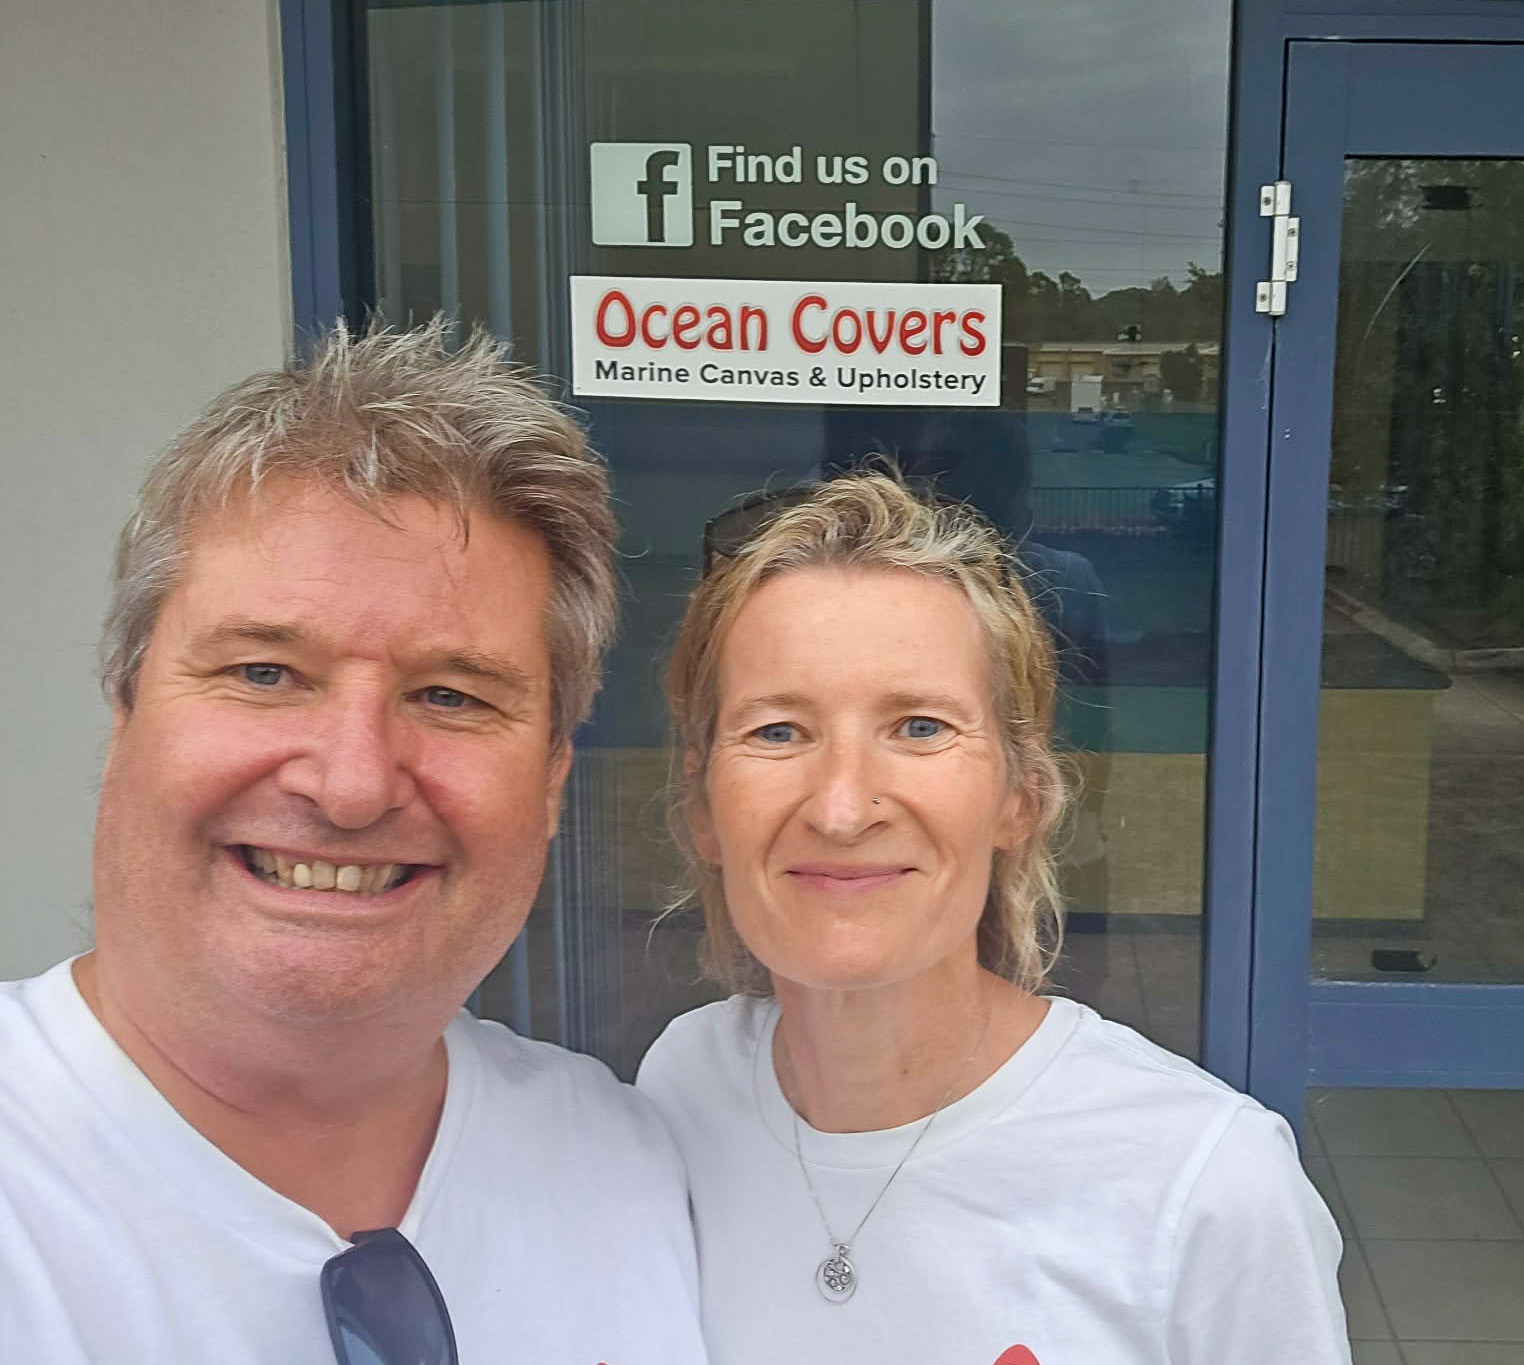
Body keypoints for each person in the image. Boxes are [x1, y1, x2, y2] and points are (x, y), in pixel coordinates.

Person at [0, 321, 710, 1364]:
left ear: (553, 776)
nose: (351, 783)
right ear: (126, 710)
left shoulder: (629, 1166)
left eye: (450, 695)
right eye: (264, 674)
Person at [637, 471, 1347, 1364]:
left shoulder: (1206, 1186)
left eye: (921, 726)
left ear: (1021, 793)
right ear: (704, 804)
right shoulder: (681, 1090)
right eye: (778, 730)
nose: (843, 807)